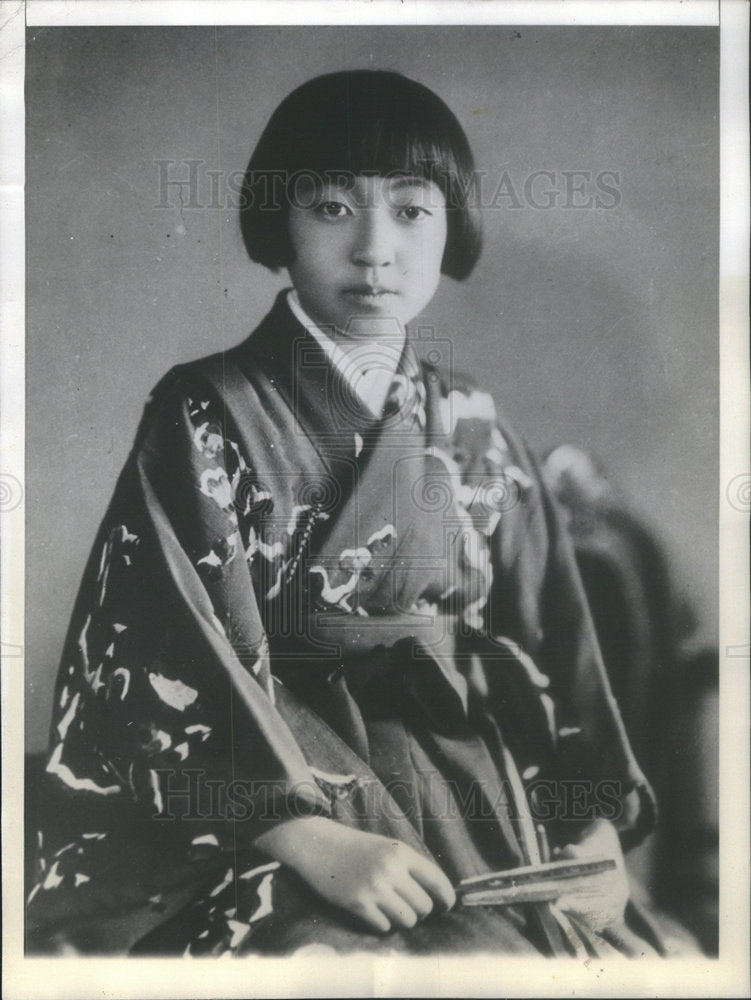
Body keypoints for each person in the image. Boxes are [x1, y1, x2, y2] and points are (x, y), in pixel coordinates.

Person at [26, 70, 693, 957]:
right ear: (282, 223)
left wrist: (596, 834)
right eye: (333, 208)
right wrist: (309, 838)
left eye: (411, 211)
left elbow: (552, 652)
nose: (375, 249)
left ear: (451, 226)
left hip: (474, 799)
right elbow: (160, 651)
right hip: (285, 795)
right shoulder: (205, 411)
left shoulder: (475, 426)